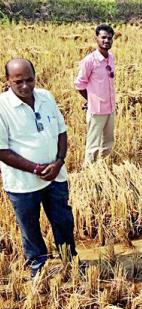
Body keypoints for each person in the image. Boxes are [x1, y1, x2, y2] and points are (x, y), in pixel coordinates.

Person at [0, 58, 76, 277]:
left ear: (35, 77)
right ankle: (38, 269)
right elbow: (2, 150)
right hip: (22, 184)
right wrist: (35, 168)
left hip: (56, 177)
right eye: (19, 82)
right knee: (30, 228)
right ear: (8, 81)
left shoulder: (46, 97)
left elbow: (62, 131)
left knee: (63, 221)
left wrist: (59, 161)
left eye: (29, 80)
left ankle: (69, 261)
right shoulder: (3, 106)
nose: (25, 86)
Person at [75, 24, 116, 165]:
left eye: (109, 38)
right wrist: (90, 99)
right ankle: (89, 174)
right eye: (103, 37)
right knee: (93, 145)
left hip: (111, 108)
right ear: (96, 39)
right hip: (97, 110)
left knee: (108, 142)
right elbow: (79, 84)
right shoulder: (89, 61)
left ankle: (103, 169)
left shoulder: (111, 58)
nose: (106, 41)